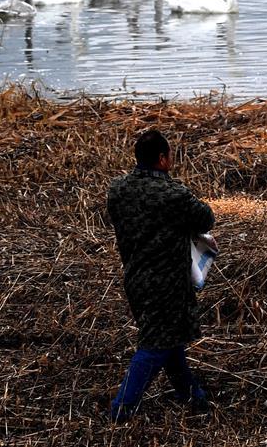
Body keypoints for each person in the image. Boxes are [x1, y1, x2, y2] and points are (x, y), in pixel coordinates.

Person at [106, 129, 216, 422]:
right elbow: (205, 218)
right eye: (170, 155)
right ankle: (122, 408)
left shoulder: (118, 190)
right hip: (167, 285)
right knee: (155, 346)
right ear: (162, 159)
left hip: (135, 280)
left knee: (168, 339)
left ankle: (193, 397)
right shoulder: (173, 194)